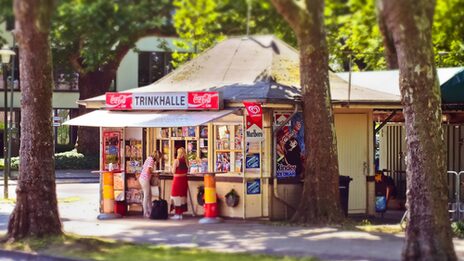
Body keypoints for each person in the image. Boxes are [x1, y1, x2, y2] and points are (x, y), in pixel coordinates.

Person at [139, 150, 162, 218]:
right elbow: (148, 170)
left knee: (149, 195)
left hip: (142, 178)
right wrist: (155, 173)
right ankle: (146, 212)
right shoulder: (151, 160)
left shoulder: (148, 158)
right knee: (146, 196)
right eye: (159, 158)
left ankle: (150, 211)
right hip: (145, 179)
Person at [170, 147, 189, 220]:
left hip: (177, 180)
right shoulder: (186, 161)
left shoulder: (176, 161)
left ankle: (177, 214)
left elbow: (173, 171)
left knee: (175, 196)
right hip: (184, 180)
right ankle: (180, 213)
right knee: (182, 197)